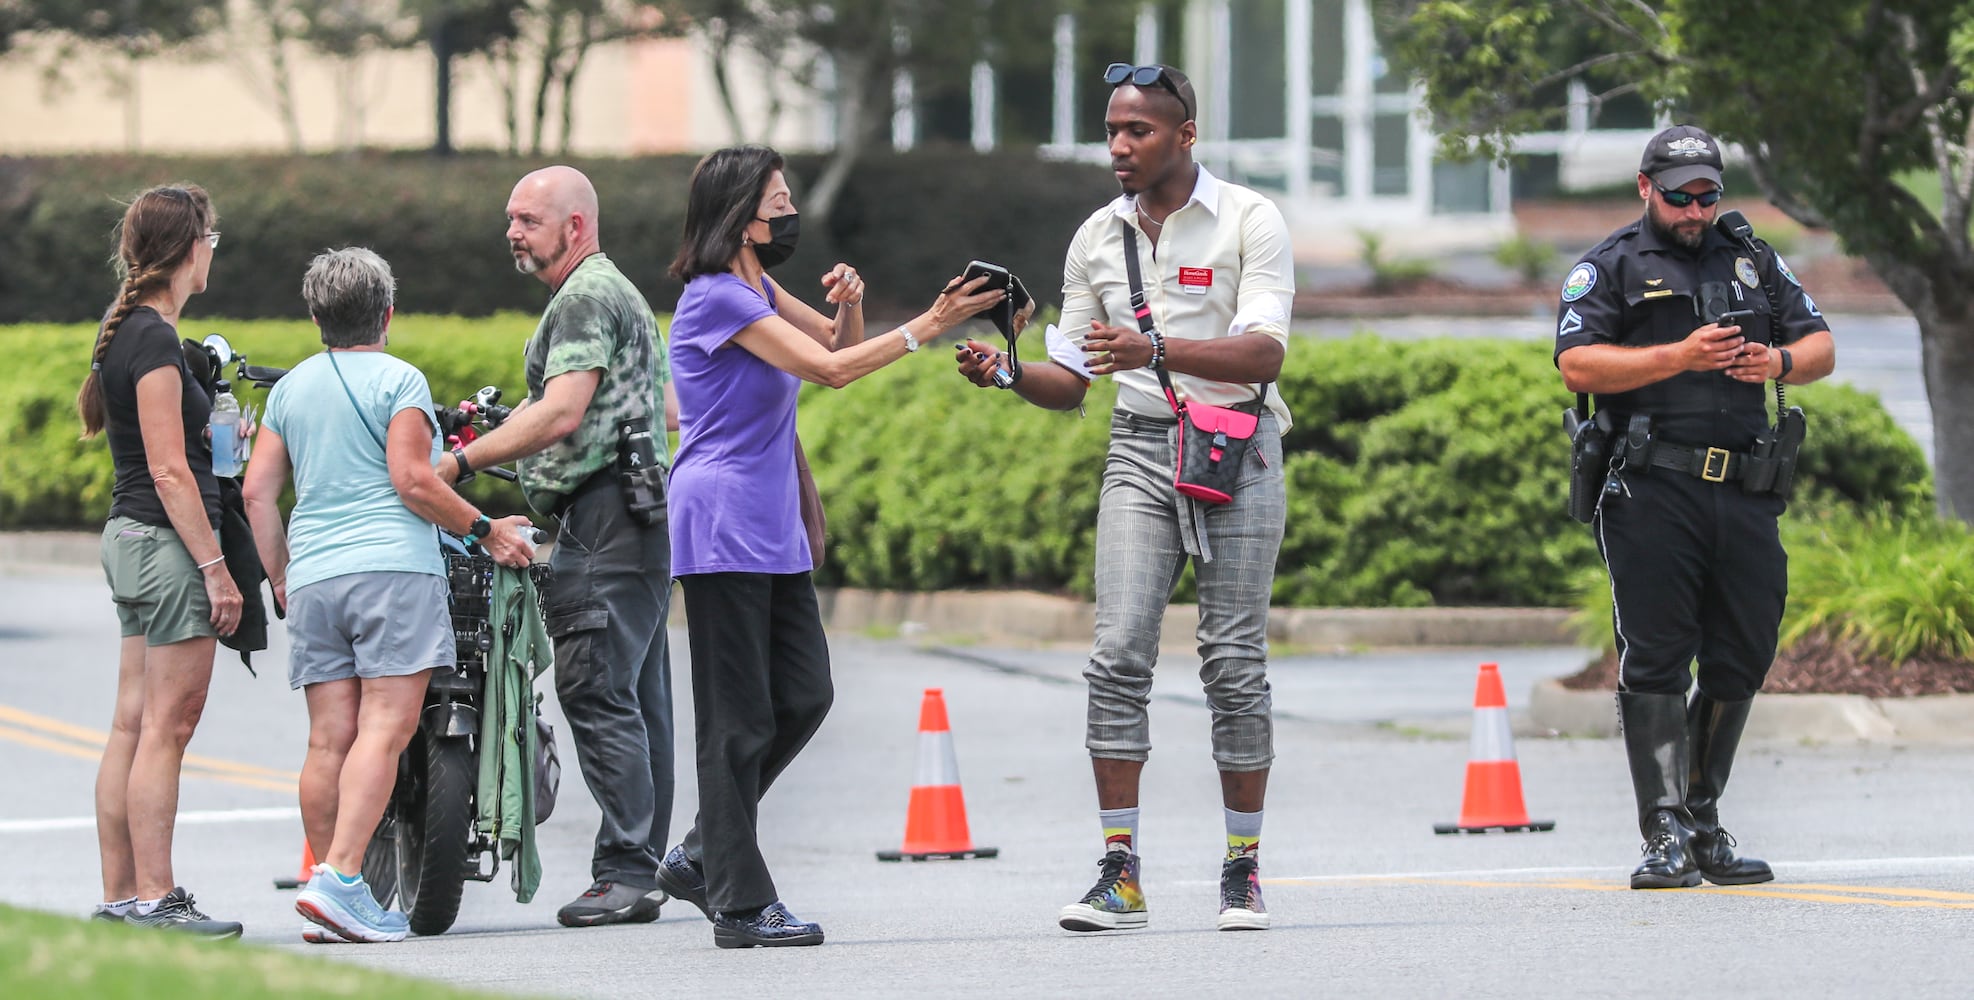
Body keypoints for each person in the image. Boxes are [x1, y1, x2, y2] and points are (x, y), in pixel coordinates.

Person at [954, 64, 1293, 934]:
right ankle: (1119, 873)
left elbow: (1263, 355)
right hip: (1142, 450)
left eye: (1138, 131)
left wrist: (1157, 350)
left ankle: (1243, 870)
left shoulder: (1251, 219)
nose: (1118, 147)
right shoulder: (1095, 238)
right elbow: (1073, 378)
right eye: (1111, 131)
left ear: (1185, 136)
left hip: (1239, 448)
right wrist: (1008, 373)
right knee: (1117, 654)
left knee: (1232, 660)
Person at [653, 144, 1004, 949]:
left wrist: (851, 304)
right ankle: (739, 903)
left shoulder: (755, 285)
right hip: (720, 522)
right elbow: (833, 373)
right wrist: (930, 325)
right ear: (741, 216)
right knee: (734, 722)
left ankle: (704, 852)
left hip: (770, 525)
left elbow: (833, 346)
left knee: (805, 696)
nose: (788, 213)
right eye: (777, 200)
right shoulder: (714, 298)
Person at [1553, 124, 1835, 889]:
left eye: (1709, 193)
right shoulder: (1609, 266)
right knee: (1657, 656)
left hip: (1744, 490)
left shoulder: (1748, 257)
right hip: (1651, 488)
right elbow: (1576, 361)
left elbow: (1820, 346)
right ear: (1646, 188)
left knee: (1744, 651)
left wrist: (1774, 360)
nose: (1696, 208)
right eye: (1681, 195)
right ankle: (1665, 833)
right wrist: (1677, 356)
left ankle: (1705, 819)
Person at [242, 247, 534, 942]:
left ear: (316, 314)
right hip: (392, 573)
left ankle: (325, 890)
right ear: (388, 314)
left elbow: (257, 492)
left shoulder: (289, 391)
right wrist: (487, 529)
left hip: (314, 575)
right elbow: (412, 480)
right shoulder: (399, 381)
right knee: (384, 726)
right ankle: (343, 880)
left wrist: (281, 575)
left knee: (329, 739)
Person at [434, 165, 677, 927]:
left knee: (596, 688)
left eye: (528, 220)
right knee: (636, 696)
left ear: (575, 227)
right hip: (634, 514)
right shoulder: (615, 292)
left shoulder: (583, 297)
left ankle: (627, 870)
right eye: (510, 217)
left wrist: (460, 462)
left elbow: (565, 412)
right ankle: (644, 865)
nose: (512, 231)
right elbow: (659, 406)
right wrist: (517, 442)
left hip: (605, 518)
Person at [77, 184, 244, 938]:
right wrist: (215, 567)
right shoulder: (151, 339)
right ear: (188, 249)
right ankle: (157, 899)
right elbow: (171, 469)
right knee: (165, 731)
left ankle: (124, 898)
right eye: (211, 238)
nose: (214, 251)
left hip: (131, 541)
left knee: (131, 725)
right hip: (167, 546)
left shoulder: (138, 336)